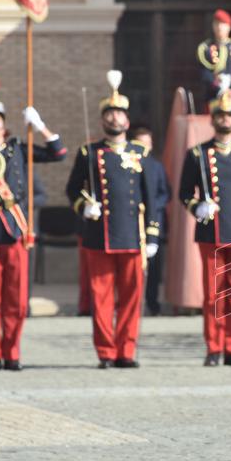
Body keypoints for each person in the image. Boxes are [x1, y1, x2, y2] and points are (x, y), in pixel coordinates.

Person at [0, 76, 66, 370]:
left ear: (4, 124)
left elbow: (58, 154)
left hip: (18, 231)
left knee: (17, 300)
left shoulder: (19, 149)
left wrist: (40, 126)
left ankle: (13, 352)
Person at [65, 72, 162, 369]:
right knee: (102, 298)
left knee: (132, 300)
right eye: (109, 113)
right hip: (100, 234)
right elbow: (72, 189)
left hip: (133, 235)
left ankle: (126, 350)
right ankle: (106, 352)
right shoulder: (89, 153)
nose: (115, 118)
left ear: (127, 121)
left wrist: (153, 235)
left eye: (119, 113)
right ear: (102, 120)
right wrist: (85, 206)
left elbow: (151, 197)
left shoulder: (140, 153)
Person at [178, 88, 231, 366]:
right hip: (211, 232)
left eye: (229, 114)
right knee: (214, 295)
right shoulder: (197, 154)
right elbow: (183, 192)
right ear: (213, 119)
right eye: (220, 115)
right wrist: (197, 207)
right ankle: (213, 347)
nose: (225, 119)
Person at [131, 127, 170, 316]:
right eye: (141, 143)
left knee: (153, 268)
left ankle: (152, 302)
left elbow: (165, 192)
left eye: (148, 143)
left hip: (154, 223)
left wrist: (153, 205)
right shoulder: (128, 163)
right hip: (132, 221)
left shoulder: (156, 166)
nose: (145, 147)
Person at [196, 10, 231, 106]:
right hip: (213, 96)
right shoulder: (206, 48)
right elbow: (205, 72)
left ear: (229, 27)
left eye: (223, 24)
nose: (219, 27)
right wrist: (218, 89)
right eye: (217, 24)